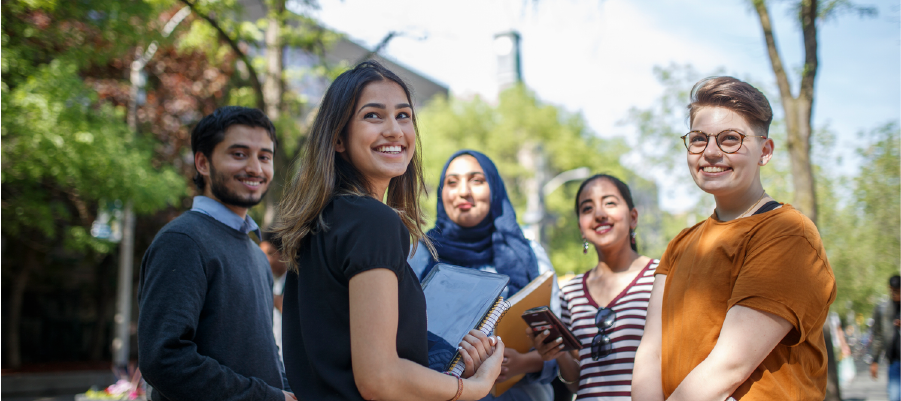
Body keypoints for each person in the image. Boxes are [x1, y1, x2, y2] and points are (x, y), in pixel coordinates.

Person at [270, 60, 504, 400]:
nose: (394, 130)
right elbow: (379, 377)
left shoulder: (320, 220)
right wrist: (472, 387)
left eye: (403, 115)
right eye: (373, 115)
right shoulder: (372, 220)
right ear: (338, 138)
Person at [632, 76, 836, 401]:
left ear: (764, 151)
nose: (711, 152)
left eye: (730, 139)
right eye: (698, 139)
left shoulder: (786, 234)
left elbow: (729, 367)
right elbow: (650, 351)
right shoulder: (680, 244)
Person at [137, 106, 294, 401]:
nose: (255, 168)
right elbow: (164, 360)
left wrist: (290, 392)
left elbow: (265, 352)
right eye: (239, 154)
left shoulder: (257, 255)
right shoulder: (183, 241)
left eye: (264, 157)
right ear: (203, 162)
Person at [409, 149, 561, 401]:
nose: (463, 192)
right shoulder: (420, 253)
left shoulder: (529, 254)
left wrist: (522, 362)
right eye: (452, 182)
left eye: (477, 181)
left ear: (495, 188)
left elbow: (557, 346)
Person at [529, 174, 658, 400]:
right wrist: (556, 353)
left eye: (609, 203)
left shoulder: (662, 277)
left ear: (633, 217)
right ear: (581, 227)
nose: (599, 214)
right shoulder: (569, 293)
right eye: (587, 209)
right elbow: (578, 382)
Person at [867, 275, 900, 401]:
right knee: (894, 397)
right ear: (889, 289)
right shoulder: (882, 309)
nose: (896, 294)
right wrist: (874, 360)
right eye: (894, 290)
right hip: (894, 361)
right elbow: (878, 336)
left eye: (899, 290)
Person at [261, 232, 288, 360]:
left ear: (283, 254)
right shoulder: (274, 282)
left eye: (270, 253)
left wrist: (272, 298)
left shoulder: (295, 282)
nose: (266, 260)